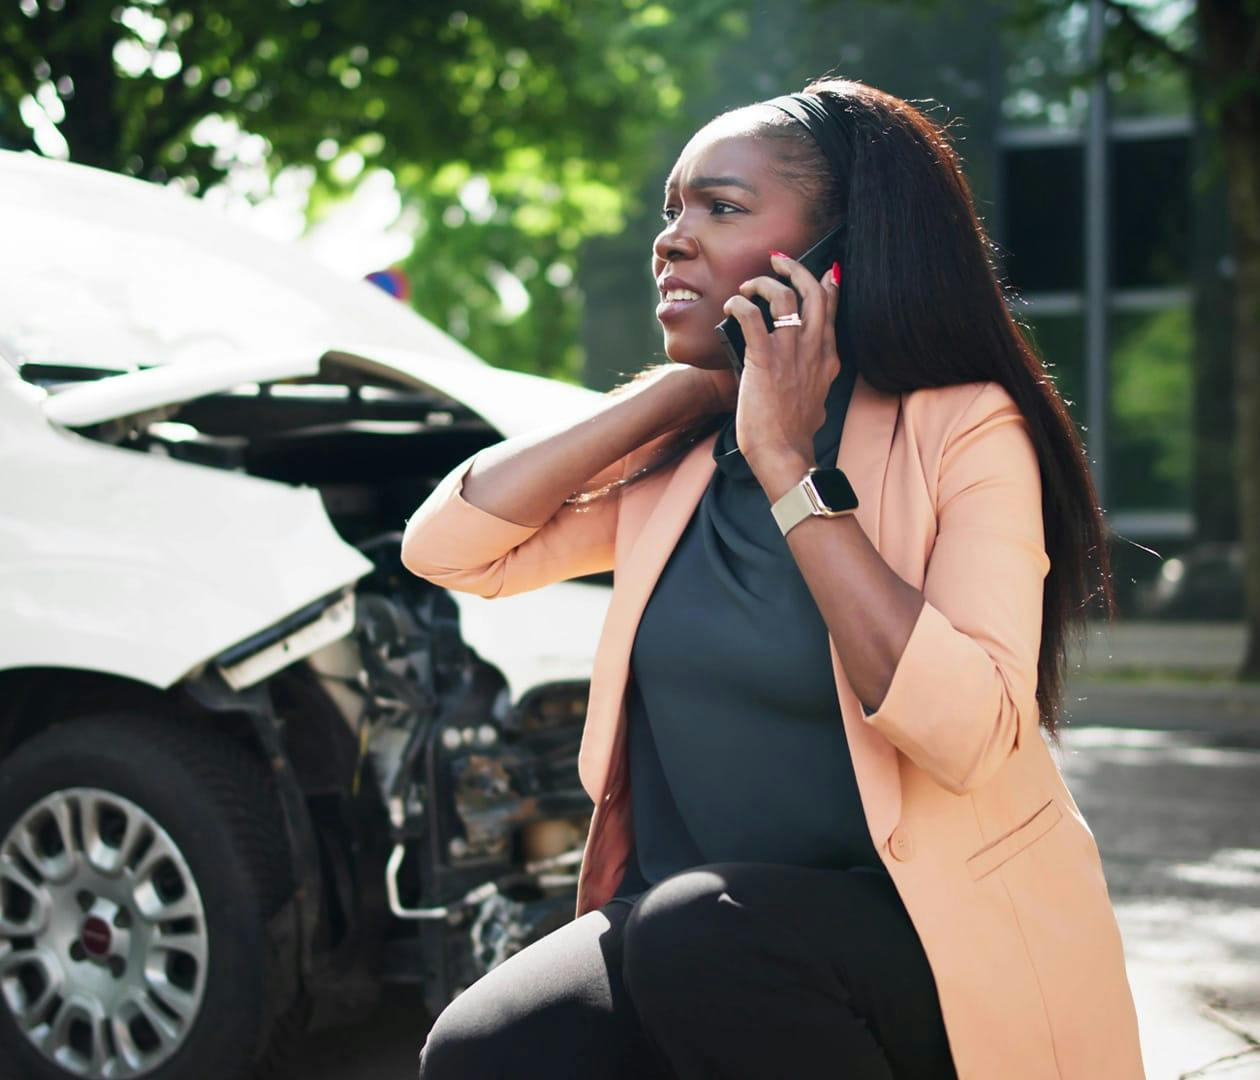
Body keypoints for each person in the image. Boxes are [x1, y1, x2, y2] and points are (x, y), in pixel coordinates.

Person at [401, 75, 1146, 1080]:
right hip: (691, 928)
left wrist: (790, 466)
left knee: (700, 933)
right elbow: (447, 549)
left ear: (835, 251)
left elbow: (968, 733)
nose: (673, 236)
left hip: (922, 938)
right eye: (672, 210)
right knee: (485, 1051)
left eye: (722, 206)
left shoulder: (965, 428)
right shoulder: (688, 461)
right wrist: (679, 393)